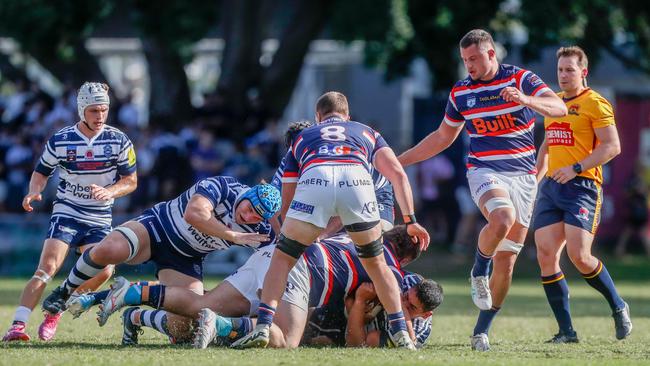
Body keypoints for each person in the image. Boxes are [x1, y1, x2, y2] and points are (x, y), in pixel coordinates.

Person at [397, 29, 567, 351]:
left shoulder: (520, 79)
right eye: (465, 60)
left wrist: (526, 100)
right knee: (502, 217)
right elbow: (442, 138)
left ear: (492, 54)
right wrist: (399, 161)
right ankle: (478, 269)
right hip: (485, 171)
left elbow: (558, 108)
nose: (469, 66)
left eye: (474, 59)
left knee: (507, 263)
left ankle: (481, 331)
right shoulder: (461, 92)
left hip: (523, 177)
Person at [231, 91, 430, 350]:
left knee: (282, 259)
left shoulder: (303, 137)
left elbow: (288, 189)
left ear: (318, 117)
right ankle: (401, 332)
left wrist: (290, 230)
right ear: (346, 116)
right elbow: (398, 175)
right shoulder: (366, 132)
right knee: (378, 265)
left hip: (317, 178)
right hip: (357, 181)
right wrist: (411, 219)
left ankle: (263, 326)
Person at [41, 176, 279, 343]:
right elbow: (194, 214)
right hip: (158, 228)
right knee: (110, 250)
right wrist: (232, 235)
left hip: (186, 258)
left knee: (184, 329)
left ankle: (135, 317)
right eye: (249, 207)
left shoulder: (260, 230)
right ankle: (64, 291)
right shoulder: (224, 186)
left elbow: (276, 260)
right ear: (248, 194)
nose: (247, 215)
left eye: (254, 216)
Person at [2, 82, 137, 342]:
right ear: (81, 110)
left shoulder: (119, 140)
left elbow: (131, 181)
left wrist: (111, 191)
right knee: (47, 268)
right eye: (94, 111)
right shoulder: (61, 139)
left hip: (99, 216)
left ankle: (57, 308)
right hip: (68, 211)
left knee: (105, 270)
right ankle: (17, 326)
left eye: (104, 110)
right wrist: (34, 191)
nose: (100, 116)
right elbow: (41, 172)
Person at [533, 46, 632, 343]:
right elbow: (548, 146)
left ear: (583, 72)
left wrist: (576, 167)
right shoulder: (555, 103)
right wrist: (535, 182)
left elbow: (612, 146)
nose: (563, 75)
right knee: (546, 255)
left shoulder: (596, 103)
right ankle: (567, 332)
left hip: (582, 187)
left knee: (580, 256)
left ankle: (618, 305)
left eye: (569, 70)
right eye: (560, 70)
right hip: (552, 187)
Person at [192, 227, 424, 349]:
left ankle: (161, 313)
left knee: (203, 303)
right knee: (287, 338)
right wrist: (411, 341)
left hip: (277, 255)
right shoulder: (390, 269)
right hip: (303, 269)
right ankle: (221, 325)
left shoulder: (358, 236)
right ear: (404, 261)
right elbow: (398, 312)